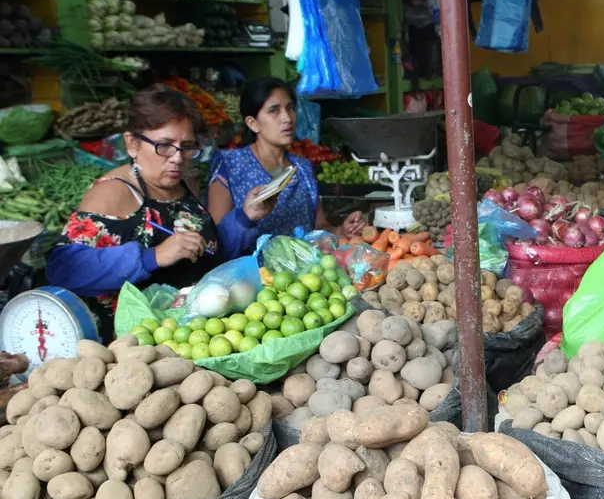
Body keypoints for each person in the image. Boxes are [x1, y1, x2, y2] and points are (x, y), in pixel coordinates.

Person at [46, 85, 274, 341]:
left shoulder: (182, 185)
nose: (177, 158)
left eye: (186, 147)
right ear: (132, 144)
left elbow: (208, 252)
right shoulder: (115, 192)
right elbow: (63, 269)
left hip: (192, 337)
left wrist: (244, 217)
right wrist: (153, 256)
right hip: (131, 346)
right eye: (164, 146)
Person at [207, 78, 367, 238]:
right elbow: (217, 238)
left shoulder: (302, 168)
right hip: (251, 263)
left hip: (305, 262)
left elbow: (319, 227)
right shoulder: (230, 165)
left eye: (290, 108)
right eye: (274, 110)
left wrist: (342, 231)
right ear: (252, 123)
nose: (287, 118)